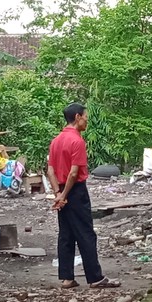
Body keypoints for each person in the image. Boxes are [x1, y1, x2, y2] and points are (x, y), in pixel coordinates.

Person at [49, 103, 118, 289]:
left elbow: (50, 170)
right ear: (78, 117)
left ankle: (67, 278)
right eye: (85, 116)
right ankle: (95, 278)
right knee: (86, 234)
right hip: (76, 191)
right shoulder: (77, 141)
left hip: (62, 189)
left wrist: (58, 193)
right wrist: (64, 194)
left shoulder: (56, 140)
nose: (87, 120)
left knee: (66, 234)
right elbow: (73, 173)